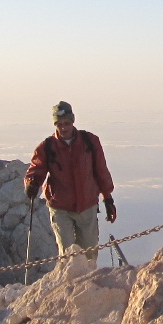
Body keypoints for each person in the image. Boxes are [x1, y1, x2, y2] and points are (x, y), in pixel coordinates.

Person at [24, 101, 116, 263]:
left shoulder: (90, 142)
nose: (64, 127)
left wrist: (107, 199)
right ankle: (68, 286)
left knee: (89, 255)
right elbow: (36, 170)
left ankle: (86, 285)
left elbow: (100, 171)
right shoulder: (47, 147)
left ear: (73, 121)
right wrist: (31, 184)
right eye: (59, 124)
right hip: (60, 207)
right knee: (67, 256)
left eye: (66, 123)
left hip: (87, 206)